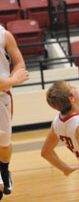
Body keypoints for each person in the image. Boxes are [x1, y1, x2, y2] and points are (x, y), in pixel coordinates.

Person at [0, 25, 29, 199]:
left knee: (4, 143)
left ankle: (4, 168)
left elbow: (19, 63)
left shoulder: (4, 35)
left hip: (2, 97)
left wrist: (14, 77)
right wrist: (12, 80)